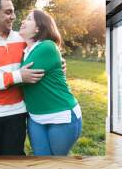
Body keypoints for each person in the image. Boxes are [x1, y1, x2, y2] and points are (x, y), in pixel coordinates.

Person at [0, 0, 65, 156]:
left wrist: (58, 64)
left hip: (18, 111)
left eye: (13, 11)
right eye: (8, 12)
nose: (13, 16)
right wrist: (18, 76)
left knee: (15, 156)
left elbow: (46, 52)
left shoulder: (22, 39)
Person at [18, 10, 82, 156]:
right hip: (35, 117)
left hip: (61, 116)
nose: (22, 21)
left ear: (38, 28)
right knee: (42, 159)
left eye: (28, 19)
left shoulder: (46, 46)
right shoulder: (24, 51)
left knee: (57, 162)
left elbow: (21, 79)